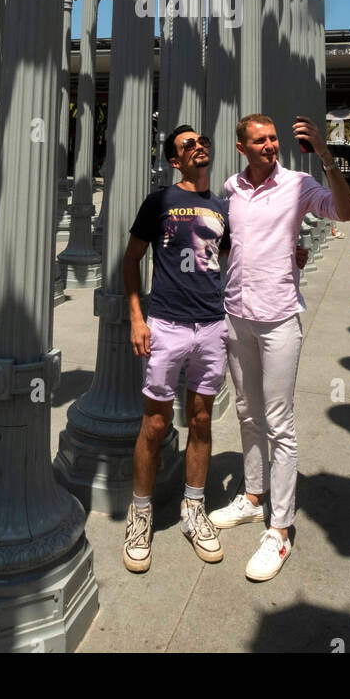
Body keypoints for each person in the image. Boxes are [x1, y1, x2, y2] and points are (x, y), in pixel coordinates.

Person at [210, 113, 350, 582]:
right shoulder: (230, 189)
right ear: (241, 147)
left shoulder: (298, 183)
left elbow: (344, 212)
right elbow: (233, 244)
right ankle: (253, 498)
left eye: (274, 139)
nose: (271, 146)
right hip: (236, 313)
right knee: (247, 413)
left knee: (279, 421)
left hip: (278, 319)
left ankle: (281, 528)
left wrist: (327, 155)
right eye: (261, 140)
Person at [122, 125, 230, 573]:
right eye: (188, 144)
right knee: (155, 422)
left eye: (202, 140)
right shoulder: (160, 201)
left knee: (201, 418)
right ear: (174, 160)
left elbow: (233, 258)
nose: (198, 145)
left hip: (212, 326)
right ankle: (141, 513)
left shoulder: (222, 207)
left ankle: (193, 509)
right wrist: (135, 316)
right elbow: (131, 259)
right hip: (166, 325)